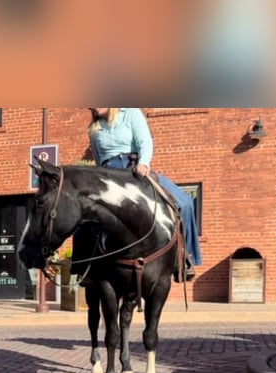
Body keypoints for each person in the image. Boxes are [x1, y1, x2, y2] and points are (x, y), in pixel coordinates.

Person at [86, 107, 201, 280]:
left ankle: (184, 257)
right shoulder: (94, 129)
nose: (94, 107)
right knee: (82, 212)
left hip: (133, 169)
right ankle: (86, 266)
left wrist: (144, 163)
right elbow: (98, 159)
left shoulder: (131, 113)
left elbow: (145, 141)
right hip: (108, 174)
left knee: (184, 202)